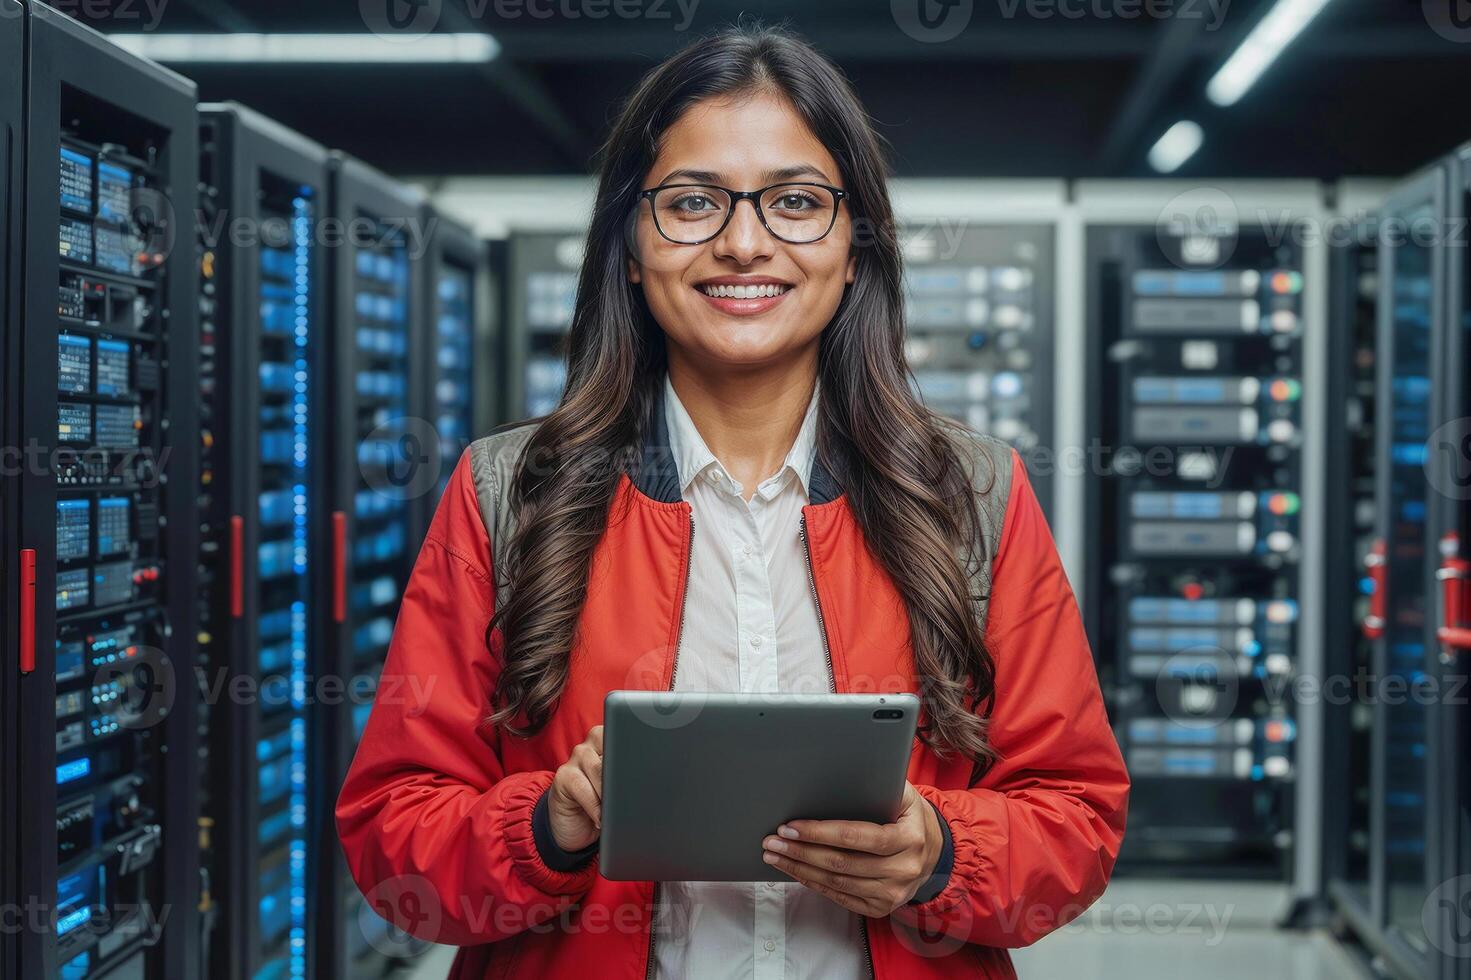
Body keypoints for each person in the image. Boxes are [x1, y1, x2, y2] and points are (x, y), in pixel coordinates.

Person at [336, 22, 1128, 980]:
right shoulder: (510, 492)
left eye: (795, 202)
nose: (743, 243)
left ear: (853, 247)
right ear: (630, 245)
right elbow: (390, 835)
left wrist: (940, 851)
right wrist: (548, 823)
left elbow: (1076, 819)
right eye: (691, 202)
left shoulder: (971, 493)